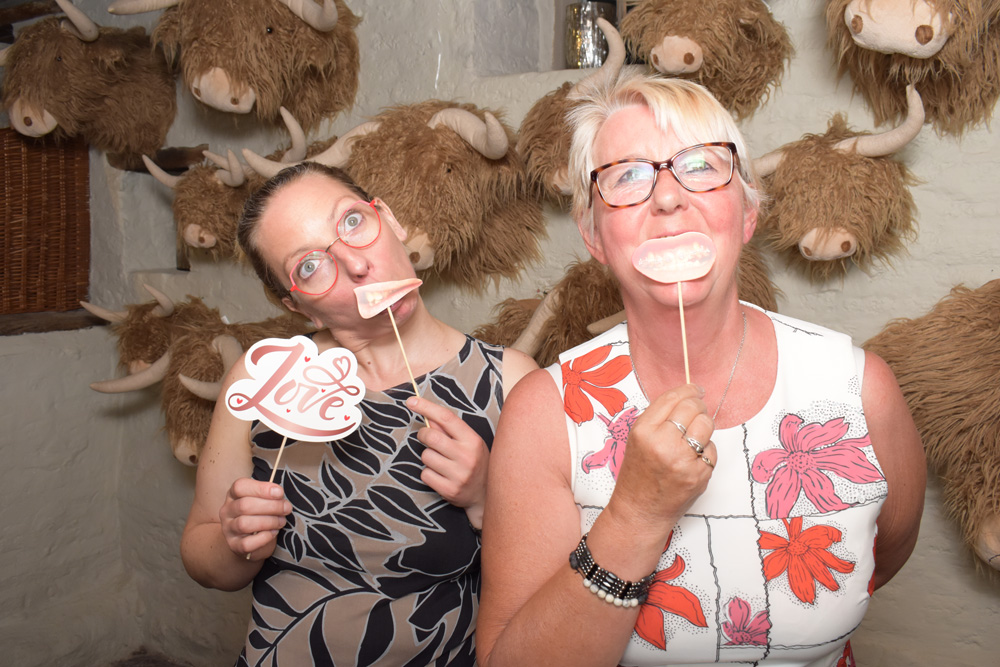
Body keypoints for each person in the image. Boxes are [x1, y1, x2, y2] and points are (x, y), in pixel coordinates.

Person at [475, 71, 925, 667]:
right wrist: (636, 515)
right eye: (627, 175)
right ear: (593, 235)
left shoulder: (862, 389)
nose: (666, 197)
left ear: (746, 212)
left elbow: (883, 554)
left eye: (702, 165)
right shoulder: (542, 413)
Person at [180, 162, 536, 666]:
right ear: (298, 305)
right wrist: (236, 540)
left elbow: (551, 575)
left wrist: (482, 499)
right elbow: (203, 559)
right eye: (309, 266)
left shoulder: (510, 380)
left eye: (351, 222)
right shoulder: (264, 379)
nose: (357, 265)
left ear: (388, 219)